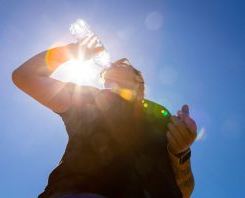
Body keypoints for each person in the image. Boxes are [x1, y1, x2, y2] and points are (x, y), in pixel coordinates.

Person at [12, 36, 197, 198]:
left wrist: (181, 152)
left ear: (138, 80)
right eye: (107, 74)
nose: (113, 65)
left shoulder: (159, 114)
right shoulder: (91, 98)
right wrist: (70, 52)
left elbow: (184, 192)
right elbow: (25, 76)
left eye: (122, 65)